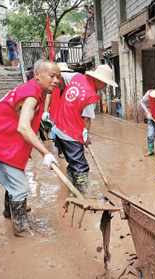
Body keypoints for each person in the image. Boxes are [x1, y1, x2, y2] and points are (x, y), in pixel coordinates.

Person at [0, 59, 61, 237]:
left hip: (1, 140)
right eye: (52, 76)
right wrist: (45, 152)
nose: (56, 81)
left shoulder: (34, 90)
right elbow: (23, 127)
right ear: (37, 74)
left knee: (13, 182)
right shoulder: (31, 95)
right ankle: (21, 229)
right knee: (21, 187)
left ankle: (9, 213)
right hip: (0, 144)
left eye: (58, 77)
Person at [51, 64, 117, 197]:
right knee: (81, 166)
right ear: (98, 80)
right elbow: (86, 120)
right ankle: (84, 195)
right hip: (70, 132)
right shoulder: (91, 96)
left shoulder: (76, 77)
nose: (105, 87)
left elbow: (61, 76)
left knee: (72, 161)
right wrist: (85, 137)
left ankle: (72, 191)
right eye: (105, 83)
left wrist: (66, 92)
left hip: (58, 126)